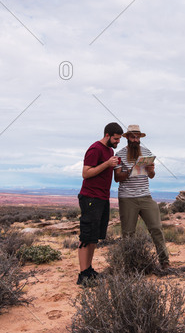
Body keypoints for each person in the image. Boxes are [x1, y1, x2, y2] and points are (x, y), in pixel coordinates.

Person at [114, 124, 170, 268]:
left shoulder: (146, 152)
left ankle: (164, 262)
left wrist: (151, 170)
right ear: (127, 138)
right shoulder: (119, 154)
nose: (135, 139)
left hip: (145, 196)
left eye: (137, 137)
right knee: (128, 233)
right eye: (132, 137)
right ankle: (128, 265)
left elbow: (151, 176)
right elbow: (117, 177)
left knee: (156, 228)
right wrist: (130, 171)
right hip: (127, 198)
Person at [76, 122, 123, 285]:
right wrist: (107, 164)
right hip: (90, 198)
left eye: (119, 140)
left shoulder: (110, 151)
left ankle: (89, 270)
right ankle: (83, 275)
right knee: (86, 237)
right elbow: (86, 173)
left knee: (94, 237)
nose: (118, 143)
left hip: (103, 198)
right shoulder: (95, 149)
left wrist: (117, 166)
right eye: (116, 139)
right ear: (107, 135)